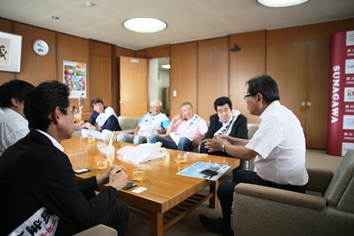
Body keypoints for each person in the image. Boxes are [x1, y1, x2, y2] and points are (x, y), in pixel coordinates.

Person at [0, 80, 129, 236]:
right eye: (71, 110)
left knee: (88, 195)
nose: (74, 117)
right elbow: (85, 216)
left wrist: (100, 179)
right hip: (37, 228)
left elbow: (65, 188)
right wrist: (114, 187)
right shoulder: (52, 159)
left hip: (29, 218)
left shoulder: (22, 147)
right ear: (57, 115)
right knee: (118, 209)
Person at [199, 75, 309, 236]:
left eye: (246, 96)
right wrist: (231, 139)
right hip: (283, 180)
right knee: (241, 175)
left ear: (258, 97)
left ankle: (226, 227)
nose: (245, 101)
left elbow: (248, 153)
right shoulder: (279, 113)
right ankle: (236, 216)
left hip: (284, 188)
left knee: (223, 188)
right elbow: (256, 143)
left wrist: (222, 145)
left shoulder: (274, 119)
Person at [199, 96, 248, 179]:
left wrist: (224, 143)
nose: (224, 114)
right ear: (217, 113)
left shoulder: (240, 119)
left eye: (226, 110)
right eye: (220, 111)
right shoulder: (213, 118)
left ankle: (237, 180)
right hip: (217, 148)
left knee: (237, 152)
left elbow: (242, 139)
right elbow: (208, 136)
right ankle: (206, 175)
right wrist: (215, 142)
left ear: (231, 109)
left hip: (232, 149)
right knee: (204, 146)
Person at [0, 79, 34, 157]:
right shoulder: (15, 125)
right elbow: (33, 156)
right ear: (16, 102)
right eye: (31, 100)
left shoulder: (5, 115)